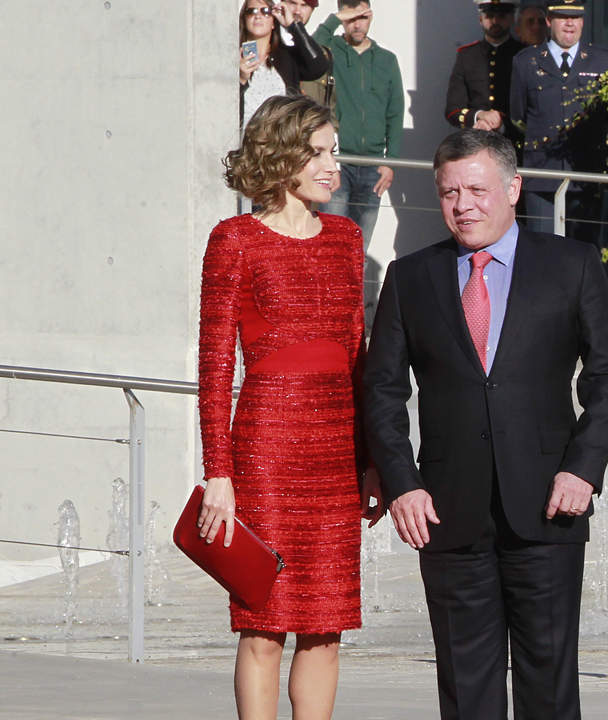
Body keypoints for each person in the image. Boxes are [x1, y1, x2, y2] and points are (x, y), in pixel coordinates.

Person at [363, 129, 608, 719]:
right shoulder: (411, 278)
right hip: (448, 513)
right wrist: (402, 481)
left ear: (514, 188)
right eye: (449, 192)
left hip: (547, 506)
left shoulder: (572, 265)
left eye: (477, 189)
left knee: (550, 687)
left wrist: (583, 470)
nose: (464, 205)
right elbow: (381, 390)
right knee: (466, 690)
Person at [198, 94, 384, 720]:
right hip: (266, 451)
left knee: (327, 625)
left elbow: (358, 355)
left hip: (335, 455)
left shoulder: (345, 238)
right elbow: (216, 367)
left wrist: (371, 460)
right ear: (283, 157)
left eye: (335, 151)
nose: (336, 165)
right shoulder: (235, 240)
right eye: (322, 152)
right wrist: (218, 473)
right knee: (263, 623)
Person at [509, 0, 608, 245]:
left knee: (585, 252)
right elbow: (518, 116)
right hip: (541, 171)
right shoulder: (525, 62)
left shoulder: (603, 61)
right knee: (541, 249)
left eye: (575, 17)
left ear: (583, 21)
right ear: (548, 20)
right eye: (563, 16)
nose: (570, 23)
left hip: (586, 173)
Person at [314, 0, 405, 243]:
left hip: (373, 165)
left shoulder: (387, 60)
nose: (357, 24)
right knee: (330, 242)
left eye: (362, 17)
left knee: (358, 247)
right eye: (351, 18)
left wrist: (390, 162)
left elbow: (395, 112)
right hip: (338, 161)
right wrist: (336, 17)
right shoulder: (331, 50)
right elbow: (312, 47)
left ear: (371, 17)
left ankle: (357, 284)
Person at [238, 0, 330, 127]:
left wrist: (293, 26)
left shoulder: (287, 57)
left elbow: (318, 67)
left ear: (273, 22)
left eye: (265, 11)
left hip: (280, 140)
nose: (257, 15)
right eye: (251, 11)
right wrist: (241, 80)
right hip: (244, 140)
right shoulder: (233, 57)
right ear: (244, 18)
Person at [446, 1, 526, 146]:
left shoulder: (524, 55)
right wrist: (479, 116)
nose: (495, 21)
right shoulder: (467, 55)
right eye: (489, 16)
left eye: (501, 16)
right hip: (475, 142)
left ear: (512, 18)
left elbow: (532, 109)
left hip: (514, 144)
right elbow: (452, 110)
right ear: (480, 19)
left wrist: (501, 123)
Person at [284, 0, 338, 116]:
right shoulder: (268, 46)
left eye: (304, 5)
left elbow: (329, 106)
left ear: (312, 10)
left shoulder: (322, 55)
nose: (297, 11)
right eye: (293, 3)